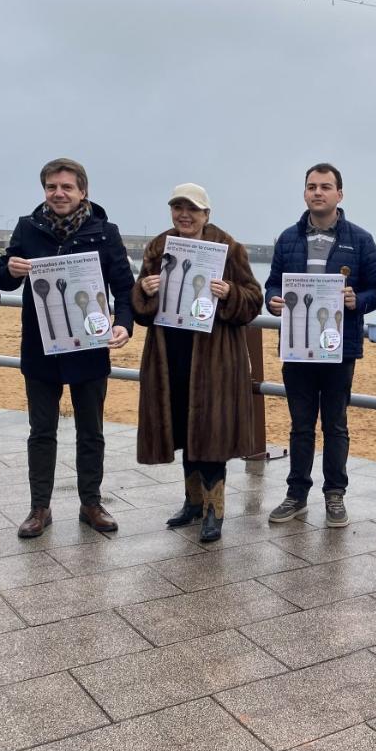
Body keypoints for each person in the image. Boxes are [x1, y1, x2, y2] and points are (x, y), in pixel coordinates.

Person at [0, 158, 135, 538]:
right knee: (41, 431)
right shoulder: (28, 227)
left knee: (91, 431)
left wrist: (124, 324)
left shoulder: (105, 231)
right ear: (44, 190)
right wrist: (9, 269)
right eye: (51, 187)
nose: (58, 193)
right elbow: (3, 278)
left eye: (67, 187)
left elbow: (124, 288)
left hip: (89, 348)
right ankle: (39, 508)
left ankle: (90, 503)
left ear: (83, 192)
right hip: (40, 348)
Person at [132, 184, 263, 541]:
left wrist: (230, 293)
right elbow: (139, 304)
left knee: (210, 433)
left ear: (207, 214)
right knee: (182, 427)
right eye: (178, 208)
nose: (184, 215)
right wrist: (143, 290)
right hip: (170, 353)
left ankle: (214, 510)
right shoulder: (159, 246)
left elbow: (254, 300)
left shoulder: (229, 247)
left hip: (214, 359)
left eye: (192, 209)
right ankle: (192, 502)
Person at [264, 164, 376, 527]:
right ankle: (296, 494)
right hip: (297, 346)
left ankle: (335, 494)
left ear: (339, 194)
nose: (318, 192)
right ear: (304, 193)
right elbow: (271, 284)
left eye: (326, 187)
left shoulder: (360, 239)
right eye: (312, 187)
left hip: (340, 347)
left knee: (335, 426)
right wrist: (272, 300)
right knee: (300, 425)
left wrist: (357, 302)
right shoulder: (287, 238)